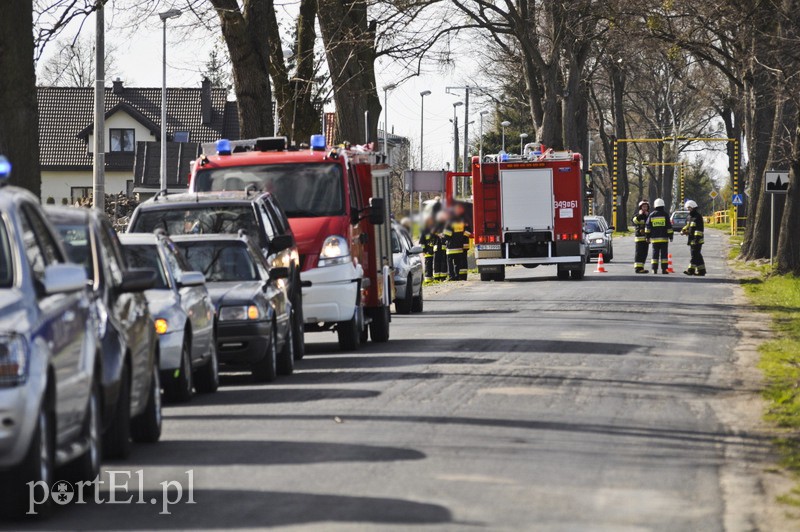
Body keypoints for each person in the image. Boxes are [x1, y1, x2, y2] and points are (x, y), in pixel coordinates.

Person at [443, 204, 471, 281]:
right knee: (458, 262)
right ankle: (458, 275)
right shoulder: (463, 220)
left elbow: (447, 235)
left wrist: (444, 237)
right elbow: (469, 231)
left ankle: (452, 276)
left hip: (451, 246)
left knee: (450, 262)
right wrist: (463, 238)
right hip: (460, 245)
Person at [645, 198, 673, 274]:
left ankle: (654, 269)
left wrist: (647, 237)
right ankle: (664, 269)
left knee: (655, 254)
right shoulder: (665, 215)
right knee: (664, 255)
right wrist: (671, 236)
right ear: (663, 206)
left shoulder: (652, 215)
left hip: (654, 239)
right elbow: (669, 227)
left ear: (655, 206)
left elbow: (648, 227)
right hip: (664, 239)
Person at [681, 199, 706, 276]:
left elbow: (699, 229)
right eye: (688, 208)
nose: (688, 210)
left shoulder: (698, 217)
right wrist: (683, 230)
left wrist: (696, 239)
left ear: (693, 207)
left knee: (694, 255)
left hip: (697, 240)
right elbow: (687, 226)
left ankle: (690, 270)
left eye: (689, 208)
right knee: (697, 255)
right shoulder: (689, 217)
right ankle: (702, 270)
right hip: (691, 240)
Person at [631, 200, 650, 274]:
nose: (645, 208)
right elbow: (634, 221)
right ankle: (637, 268)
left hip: (646, 237)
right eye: (643, 206)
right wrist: (640, 215)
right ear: (640, 207)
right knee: (639, 253)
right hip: (639, 238)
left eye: (646, 206)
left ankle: (641, 267)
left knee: (644, 253)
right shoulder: (637, 215)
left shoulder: (648, 216)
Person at [432, 211, 449, 281]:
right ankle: (436, 277)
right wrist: (438, 234)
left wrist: (444, 235)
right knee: (436, 262)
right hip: (437, 245)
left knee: (443, 262)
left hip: (443, 245)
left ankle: (443, 277)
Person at [419, 216, 437, 280]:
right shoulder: (424, 231)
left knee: (435, 264)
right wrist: (423, 251)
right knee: (428, 265)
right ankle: (428, 278)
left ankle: (434, 277)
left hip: (435, 250)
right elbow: (422, 242)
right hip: (427, 251)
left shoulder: (434, 230)